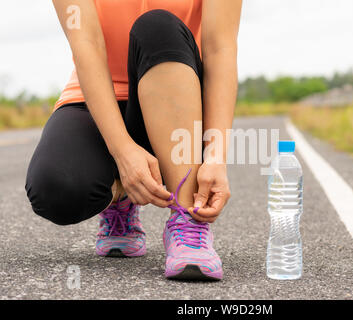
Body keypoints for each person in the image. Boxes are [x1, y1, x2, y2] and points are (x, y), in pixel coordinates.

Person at [25, 0, 242, 281]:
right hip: (98, 98)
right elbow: (87, 43)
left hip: (176, 100)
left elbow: (219, 49)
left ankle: (188, 221)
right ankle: (120, 195)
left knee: (157, 25)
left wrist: (215, 154)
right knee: (55, 189)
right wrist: (123, 151)